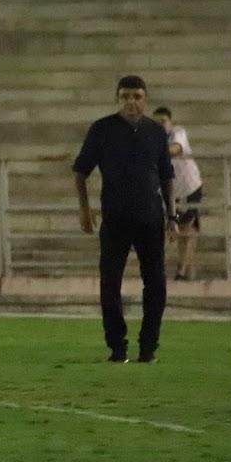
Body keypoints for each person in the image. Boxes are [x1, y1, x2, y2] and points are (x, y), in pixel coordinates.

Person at [73, 75, 175, 364]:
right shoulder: (102, 129)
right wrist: (84, 209)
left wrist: (172, 215)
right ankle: (117, 347)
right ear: (117, 99)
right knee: (110, 283)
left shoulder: (156, 132)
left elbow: (167, 175)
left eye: (137, 96)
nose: (131, 102)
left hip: (150, 217)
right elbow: (80, 171)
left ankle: (148, 347)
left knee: (156, 284)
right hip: (115, 217)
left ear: (145, 99)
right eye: (126, 96)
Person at [153, 106, 204, 281]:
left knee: (186, 229)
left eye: (163, 122)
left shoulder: (177, 132)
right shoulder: (151, 139)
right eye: (156, 123)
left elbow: (175, 149)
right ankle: (180, 270)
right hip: (170, 191)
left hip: (190, 187)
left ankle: (182, 272)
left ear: (170, 122)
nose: (160, 126)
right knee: (173, 229)